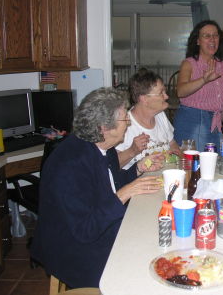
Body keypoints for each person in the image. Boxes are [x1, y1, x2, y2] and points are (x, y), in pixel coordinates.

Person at [31, 87, 163, 288]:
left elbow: (112, 183)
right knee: (144, 259)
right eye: (123, 118)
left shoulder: (101, 146)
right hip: (73, 250)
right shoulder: (70, 164)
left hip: (96, 229)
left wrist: (138, 168)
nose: (128, 122)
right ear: (104, 127)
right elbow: (86, 230)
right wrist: (125, 193)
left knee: (154, 233)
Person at [173, 20, 223, 151]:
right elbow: (180, 92)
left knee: (213, 165)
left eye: (215, 35)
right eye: (207, 36)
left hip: (215, 125)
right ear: (197, 41)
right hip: (193, 122)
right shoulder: (189, 63)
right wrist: (203, 80)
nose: (212, 39)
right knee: (194, 168)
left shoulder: (222, 65)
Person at [116, 70, 181, 169]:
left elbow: (173, 144)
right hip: (138, 182)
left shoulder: (160, 115)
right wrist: (132, 151)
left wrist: (174, 155)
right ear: (144, 99)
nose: (167, 96)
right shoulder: (124, 124)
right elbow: (112, 166)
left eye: (165, 91)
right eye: (161, 93)